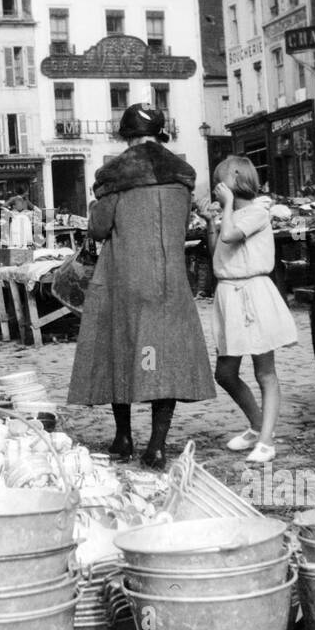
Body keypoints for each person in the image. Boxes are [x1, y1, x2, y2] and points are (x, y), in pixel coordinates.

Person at [67, 104, 216, 469]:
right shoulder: (181, 177)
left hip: (124, 279)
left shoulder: (115, 177)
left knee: (122, 352)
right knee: (160, 358)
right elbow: (182, 226)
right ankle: (158, 446)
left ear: (126, 135)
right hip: (168, 281)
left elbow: (99, 230)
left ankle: (123, 437)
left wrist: (94, 207)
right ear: (160, 132)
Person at [206, 156, 299, 463]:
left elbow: (231, 235)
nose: (217, 186)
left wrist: (228, 206)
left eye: (222, 179)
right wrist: (211, 221)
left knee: (265, 372)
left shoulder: (258, 211)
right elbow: (219, 253)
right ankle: (257, 425)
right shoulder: (234, 214)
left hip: (253, 294)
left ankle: (267, 440)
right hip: (229, 295)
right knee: (225, 372)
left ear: (237, 178)